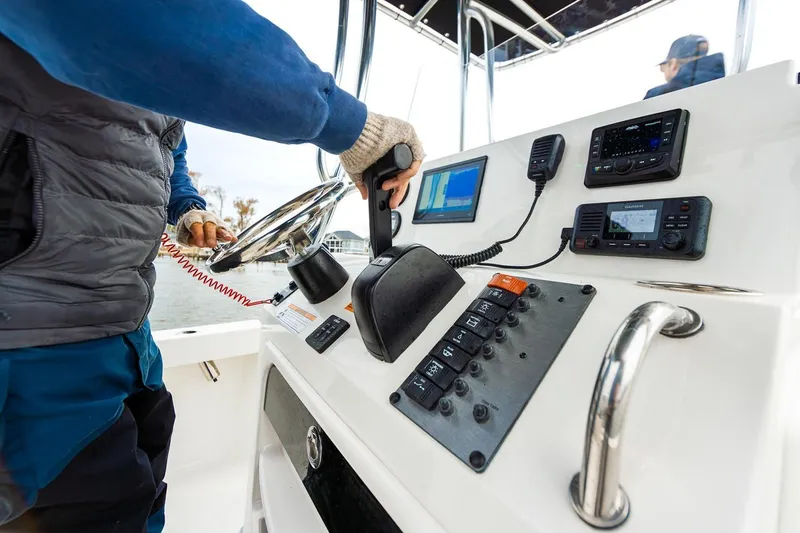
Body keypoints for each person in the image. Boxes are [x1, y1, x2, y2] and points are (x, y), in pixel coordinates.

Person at [0, 1, 425, 531]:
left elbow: (165, 147)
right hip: (27, 337)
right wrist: (353, 128)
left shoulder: (155, 102)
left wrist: (188, 208)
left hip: (122, 328)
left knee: (137, 493)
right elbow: (138, 24)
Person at [644, 35, 726, 100]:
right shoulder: (724, 86)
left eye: (662, 68)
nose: (662, 71)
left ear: (673, 64)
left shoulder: (656, 94)